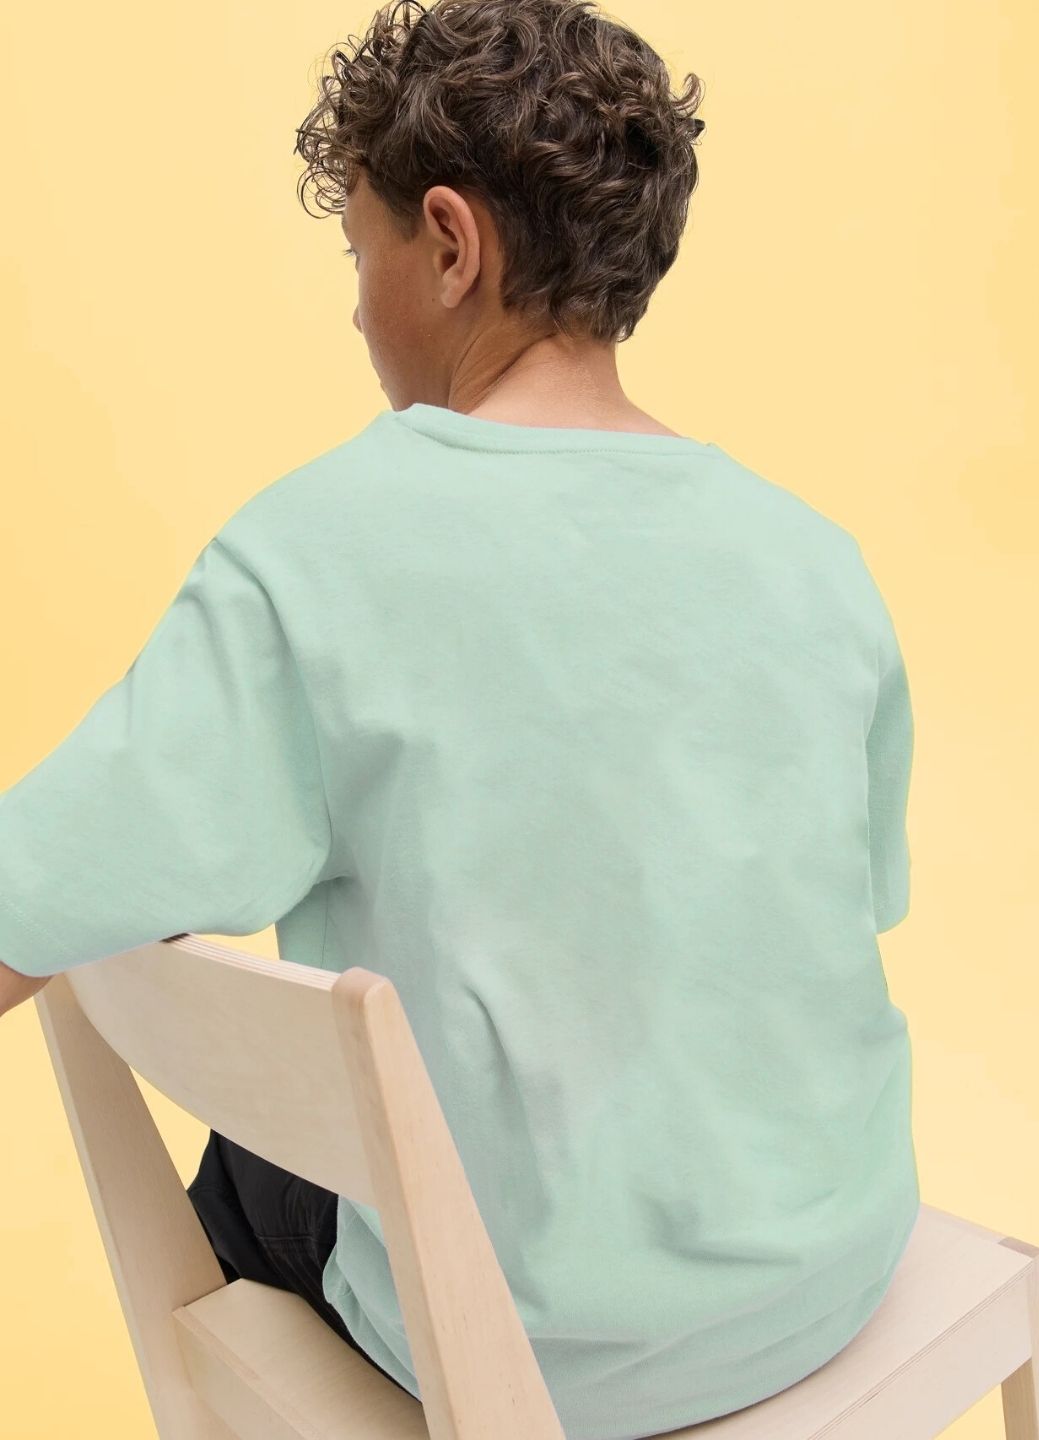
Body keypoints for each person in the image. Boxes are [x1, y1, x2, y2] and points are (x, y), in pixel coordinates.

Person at [0, 1, 919, 1437]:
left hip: (518, 1355)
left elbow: (24, 901)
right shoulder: (816, 555)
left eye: (360, 254)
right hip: (827, 1272)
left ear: (450, 242)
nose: (357, 306)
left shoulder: (320, 553)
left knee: (260, 1156)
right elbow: (835, 914)